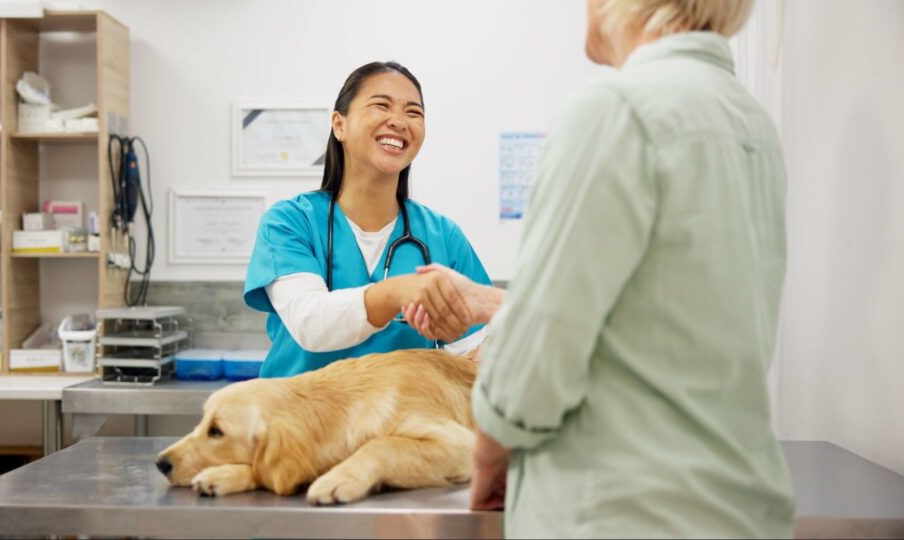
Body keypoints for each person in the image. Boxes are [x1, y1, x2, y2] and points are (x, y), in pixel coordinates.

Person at [403, 0, 796, 536]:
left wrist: (492, 446)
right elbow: (657, 321)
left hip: (620, 511)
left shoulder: (616, 110)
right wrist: (491, 303)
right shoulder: (750, 122)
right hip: (734, 505)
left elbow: (541, 351)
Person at [244, 61, 491, 378]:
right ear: (339, 125)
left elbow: (471, 346)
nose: (399, 122)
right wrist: (399, 292)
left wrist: (486, 355)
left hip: (399, 424)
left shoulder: (442, 235)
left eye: (413, 112)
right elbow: (311, 323)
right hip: (300, 423)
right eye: (381, 105)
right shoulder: (290, 223)